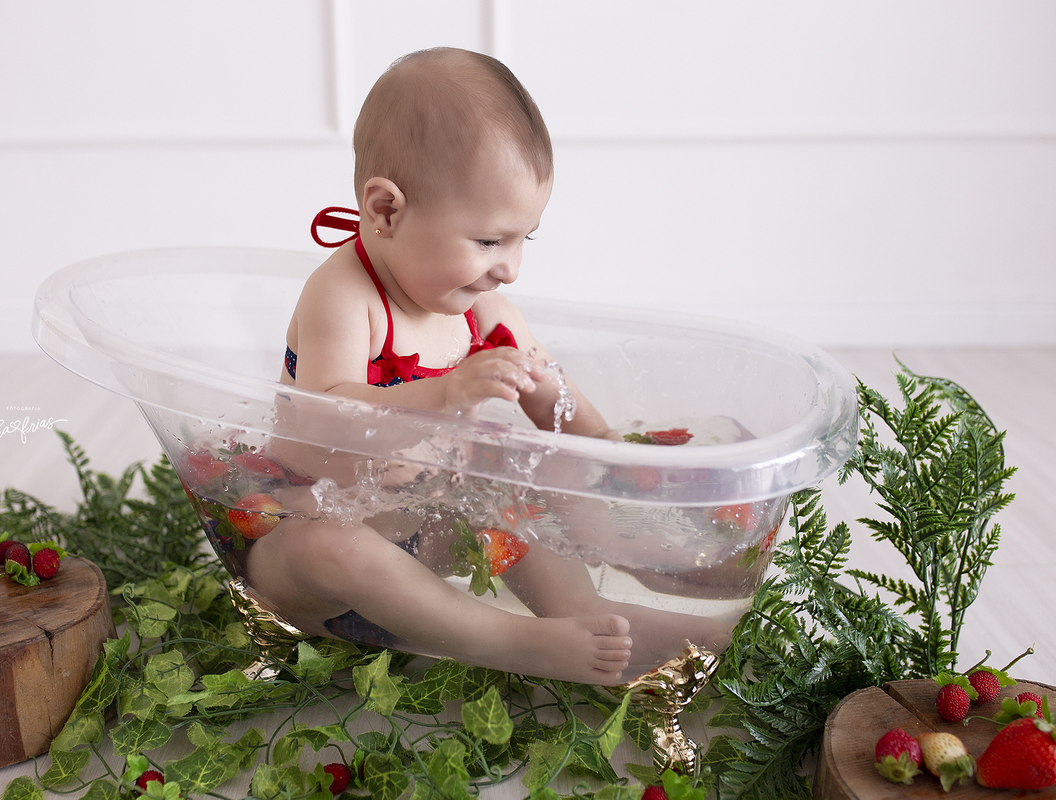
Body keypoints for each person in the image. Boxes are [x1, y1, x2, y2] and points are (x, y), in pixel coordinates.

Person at [248, 48, 723, 685]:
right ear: (386, 211)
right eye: (489, 240)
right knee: (325, 546)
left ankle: (617, 618)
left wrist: (612, 454)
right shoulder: (343, 296)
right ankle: (512, 641)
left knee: (513, 493)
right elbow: (325, 415)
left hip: (421, 533)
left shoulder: (483, 311)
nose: (511, 268)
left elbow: (558, 405)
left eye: (526, 238)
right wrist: (445, 393)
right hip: (312, 547)